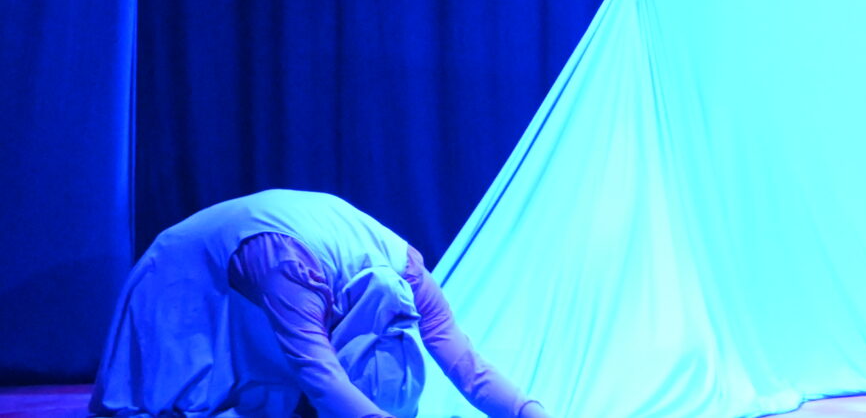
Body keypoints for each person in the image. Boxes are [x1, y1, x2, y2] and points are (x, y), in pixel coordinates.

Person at [93, 189, 546, 418]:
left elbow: (467, 366)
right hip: (185, 273)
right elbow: (321, 375)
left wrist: (529, 412)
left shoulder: (409, 274)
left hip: (281, 271)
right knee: (162, 398)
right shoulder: (290, 272)